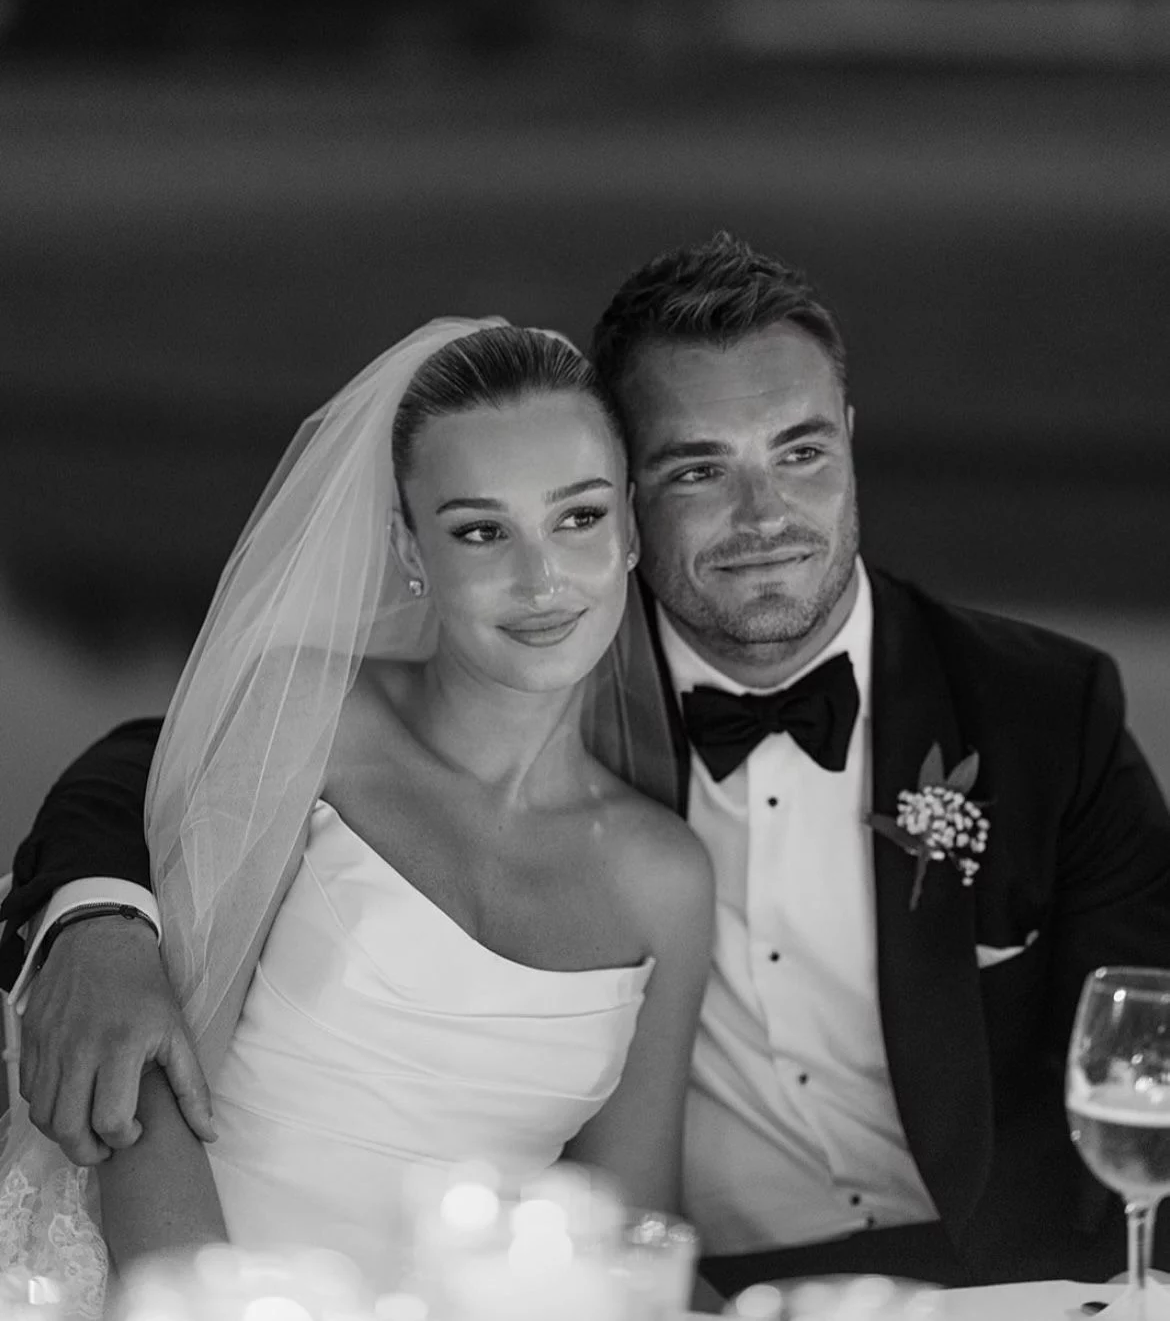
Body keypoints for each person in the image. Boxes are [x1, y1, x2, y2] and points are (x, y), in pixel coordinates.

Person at [5, 234, 1170, 1293]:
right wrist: (99, 917)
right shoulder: (458, 682)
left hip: (985, 1282)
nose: (764, 514)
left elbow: (1148, 1035)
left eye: (800, 450)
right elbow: (150, 767)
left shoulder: (1037, 713)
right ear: (641, 502)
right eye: (699, 468)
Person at [0, 319, 715, 1315]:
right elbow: (142, 1094)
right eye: (479, 529)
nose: (540, 577)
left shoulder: (666, 877)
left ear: (632, 530)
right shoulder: (310, 717)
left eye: (577, 518)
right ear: (408, 551)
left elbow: (627, 1231)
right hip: (178, 1281)